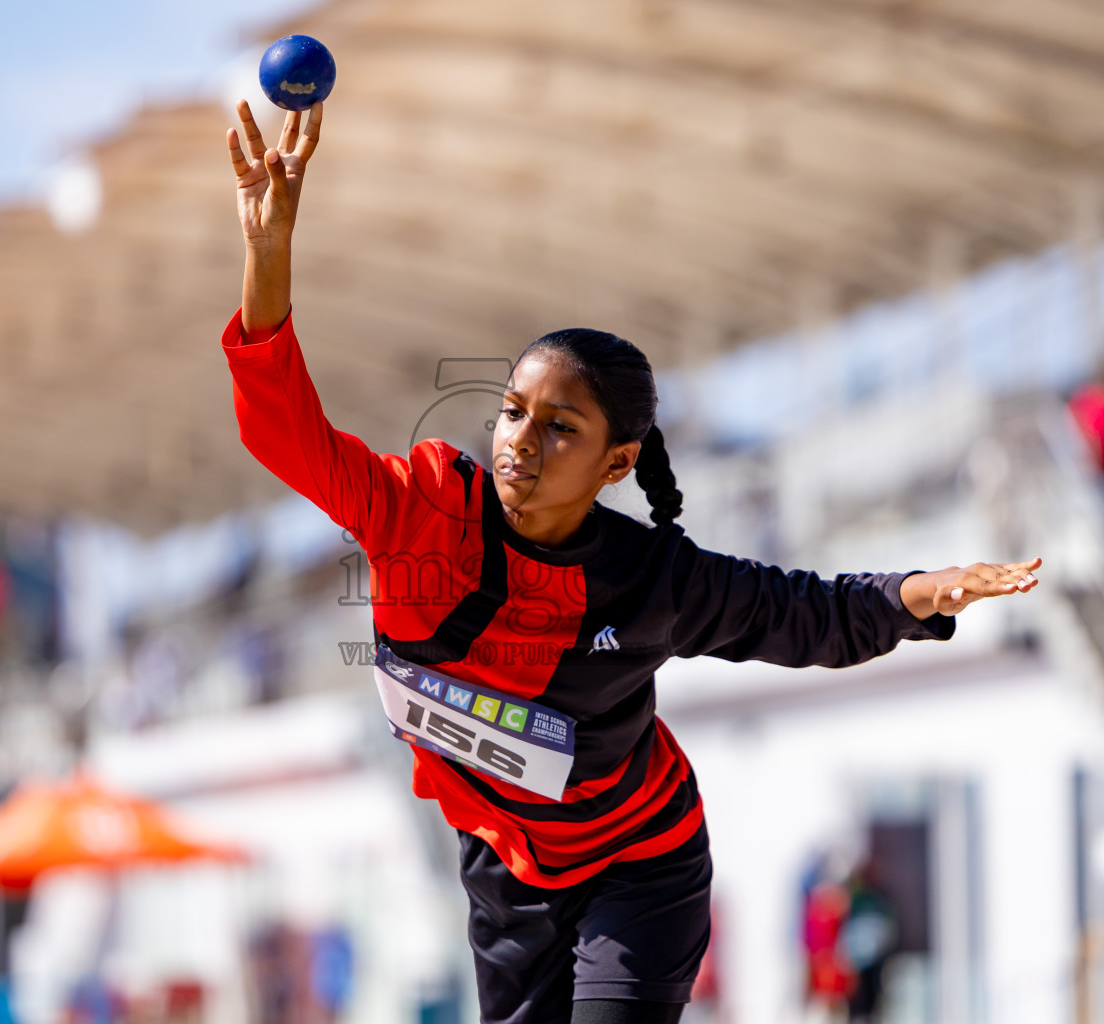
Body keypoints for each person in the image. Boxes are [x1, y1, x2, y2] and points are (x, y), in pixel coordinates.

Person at [218, 98, 1042, 1024]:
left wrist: (916, 591)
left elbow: (803, 613)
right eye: (514, 411)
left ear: (616, 463)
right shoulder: (420, 512)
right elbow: (284, 433)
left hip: (642, 865)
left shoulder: (655, 580)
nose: (522, 440)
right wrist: (267, 252)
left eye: (559, 427)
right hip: (507, 880)